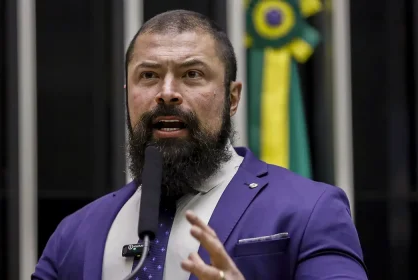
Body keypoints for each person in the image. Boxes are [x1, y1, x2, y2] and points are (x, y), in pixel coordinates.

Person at [32, 9, 368, 280]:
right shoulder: (75, 233)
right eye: (148, 75)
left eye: (192, 74)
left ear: (232, 98)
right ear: (127, 96)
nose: (166, 92)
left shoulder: (311, 210)